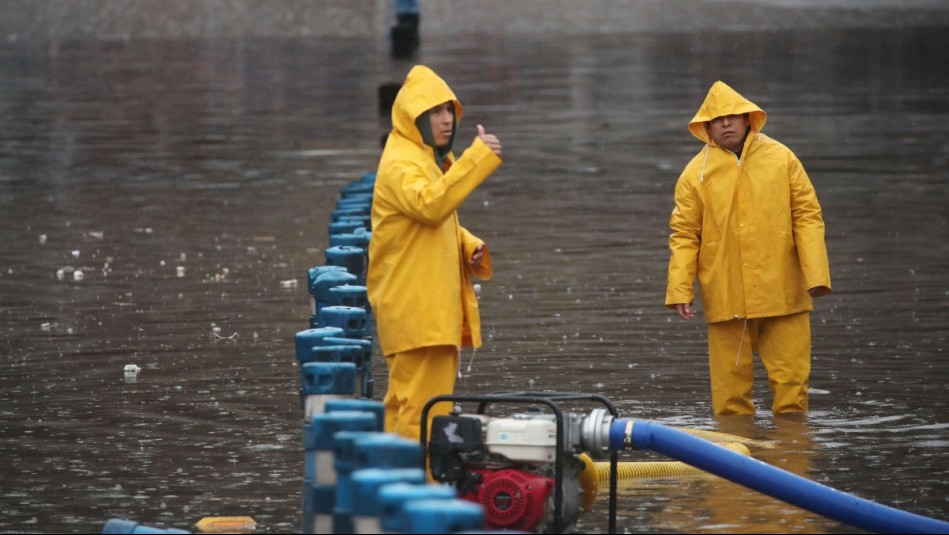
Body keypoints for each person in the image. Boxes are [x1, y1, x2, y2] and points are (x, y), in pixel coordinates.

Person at [665, 80, 831, 416]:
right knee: (729, 400)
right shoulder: (694, 174)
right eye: (717, 118)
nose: (726, 123)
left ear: (747, 119)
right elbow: (684, 235)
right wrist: (680, 289)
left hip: (783, 292)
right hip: (726, 297)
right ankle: (731, 464)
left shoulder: (782, 158)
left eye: (733, 116)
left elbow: (807, 216)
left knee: (792, 390)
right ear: (706, 126)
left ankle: (790, 459)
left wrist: (817, 276)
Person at [367, 65, 502, 441]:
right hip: (419, 314)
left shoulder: (421, 159)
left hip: (420, 314)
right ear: (414, 118)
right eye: (435, 113)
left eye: (449, 112)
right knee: (425, 414)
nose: (446, 121)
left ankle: (392, 484)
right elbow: (429, 206)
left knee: (404, 406)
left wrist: (467, 245)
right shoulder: (402, 163)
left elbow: (427, 224)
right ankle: (420, 488)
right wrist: (476, 161)